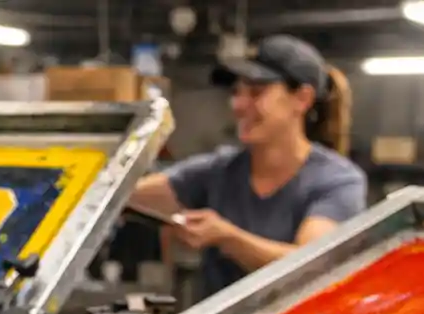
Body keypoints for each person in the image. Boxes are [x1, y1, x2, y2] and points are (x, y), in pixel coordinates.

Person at [132, 35, 367, 297]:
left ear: (302, 98)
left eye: (256, 92)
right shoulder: (218, 171)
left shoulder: (336, 180)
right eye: (236, 92)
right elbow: (125, 195)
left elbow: (311, 266)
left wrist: (229, 238)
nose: (239, 105)